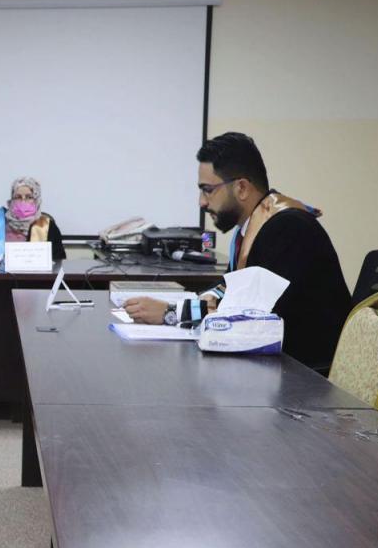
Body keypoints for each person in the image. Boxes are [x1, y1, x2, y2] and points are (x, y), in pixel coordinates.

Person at [123, 132, 351, 371]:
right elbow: (226, 292)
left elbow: (251, 316)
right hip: (275, 366)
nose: (202, 202)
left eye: (208, 190)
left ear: (241, 188)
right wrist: (177, 306)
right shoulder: (250, 229)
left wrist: (171, 313)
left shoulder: (288, 229)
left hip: (308, 375)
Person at [0, 177, 67, 260]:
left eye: (29, 197)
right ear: (11, 200)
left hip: (36, 277)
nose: (23, 201)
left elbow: (58, 262)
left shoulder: (48, 227)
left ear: (37, 200)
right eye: (18, 197)